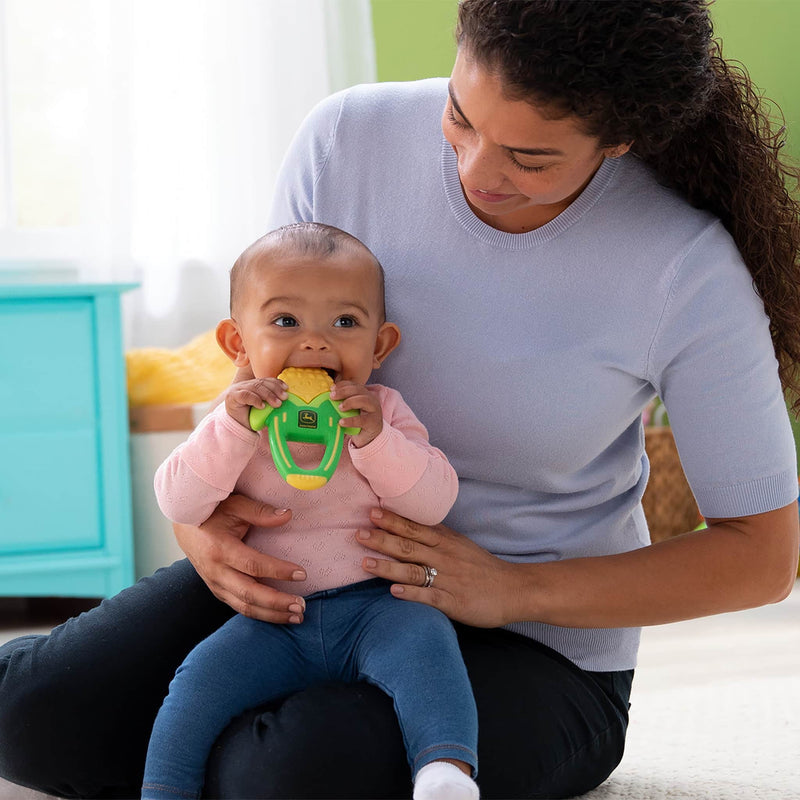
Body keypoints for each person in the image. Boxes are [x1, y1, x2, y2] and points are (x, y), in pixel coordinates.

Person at [1, 1, 799, 798]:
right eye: (460, 117)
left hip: (535, 643)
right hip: (298, 580)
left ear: (619, 139)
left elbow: (763, 555)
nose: (478, 171)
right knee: (28, 716)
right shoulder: (346, 138)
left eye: (531, 157)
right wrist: (198, 525)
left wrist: (512, 589)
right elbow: (257, 371)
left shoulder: (682, 263)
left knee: (284, 771)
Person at [140, 222, 478, 800]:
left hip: (378, 607)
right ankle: (164, 791)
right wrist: (232, 428)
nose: (316, 343)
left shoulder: (385, 411)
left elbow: (434, 501)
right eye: (285, 321)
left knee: (430, 645)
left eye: (345, 323)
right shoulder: (234, 415)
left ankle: (444, 771)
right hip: (274, 620)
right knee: (196, 681)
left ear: (380, 345)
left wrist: (374, 441)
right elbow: (179, 501)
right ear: (237, 343)